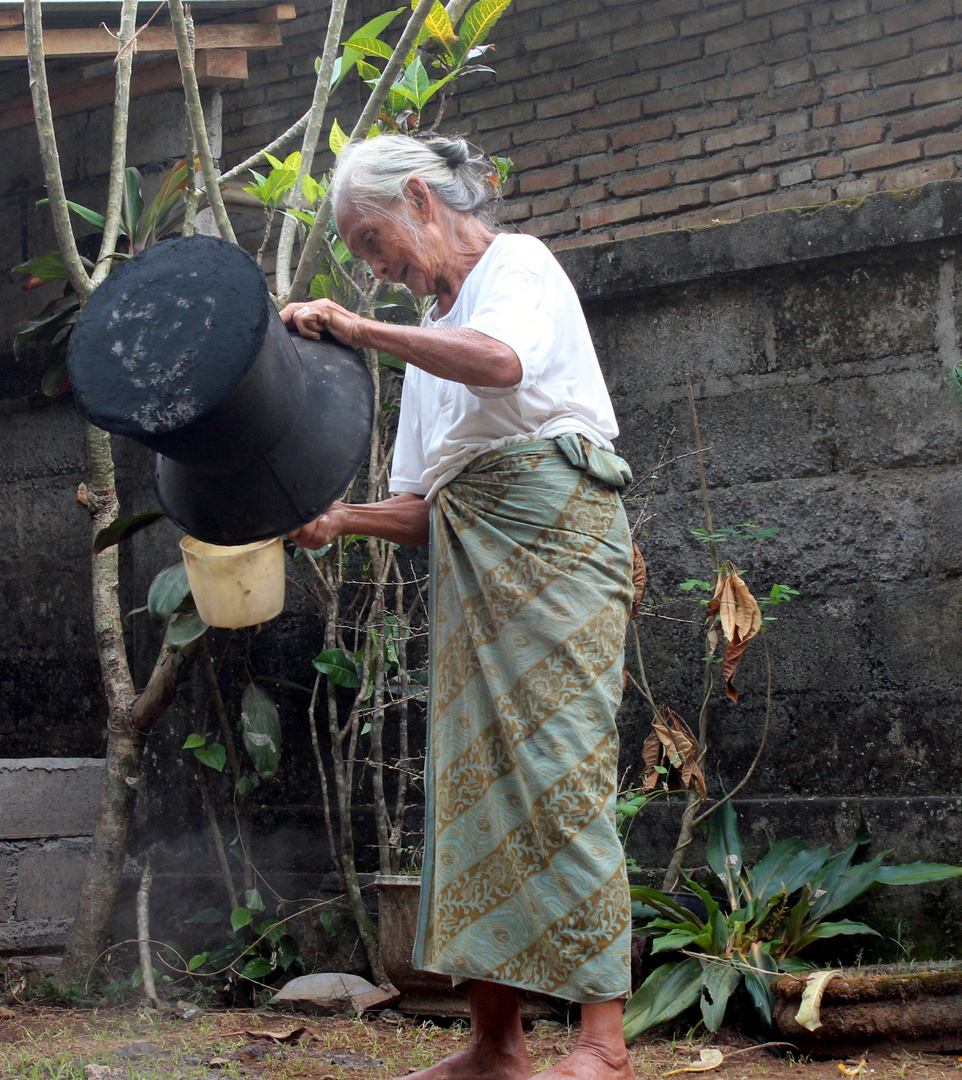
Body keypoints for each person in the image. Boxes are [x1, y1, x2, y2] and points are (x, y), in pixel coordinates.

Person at [280, 133, 636, 1080]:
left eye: (371, 238)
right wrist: (341, 518)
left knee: (560, 768)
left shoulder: (519, 267)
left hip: (557, 544)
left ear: (421, 201)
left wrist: (358, 329)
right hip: (473, 564)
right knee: (470, 791)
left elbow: (501, 362)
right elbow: (428, 508)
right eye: (358, 252)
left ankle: (602, 1045)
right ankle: (494, 1044)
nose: (373, 266)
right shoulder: (422, 344)